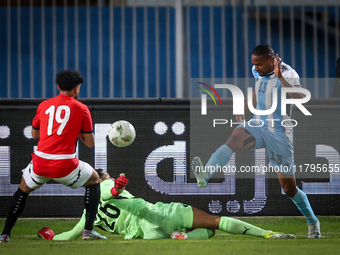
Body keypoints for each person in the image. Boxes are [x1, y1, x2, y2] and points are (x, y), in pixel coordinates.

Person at [191, 44, 321, 238]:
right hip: (259, 124)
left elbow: (300, 97)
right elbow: (258, 89)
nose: (256, 67)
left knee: (289, 188)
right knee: (234, 139)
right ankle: (206, 174)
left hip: (279, 133)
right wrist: (245, 106)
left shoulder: (289, 74)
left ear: (272, 59)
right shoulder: (257, 70)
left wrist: (280, 78)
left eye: (259, 64)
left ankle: (312, 221)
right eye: (254, 64)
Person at [37, 169, 295, 241]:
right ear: (100, 178)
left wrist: (50, 236)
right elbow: (108, 194)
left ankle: (178, 238)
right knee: (215, 224)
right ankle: (269, 234)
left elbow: (69, 236)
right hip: (156, 214)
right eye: (104, 174)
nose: (106, 176)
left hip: (146, 235)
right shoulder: (103, 185)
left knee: (207, 233)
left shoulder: (85, 216)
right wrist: (116, 187)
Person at [0, 69, 105, 243]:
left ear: (58, 87)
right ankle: (88, 231)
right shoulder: (82, 108)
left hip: (40, 162)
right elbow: (90, 143)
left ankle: (4, 234)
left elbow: (35, 135)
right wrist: (76, 131)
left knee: (23, 189)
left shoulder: (44, 105)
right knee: (94, 179)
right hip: (65, 165)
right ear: (77, 88)